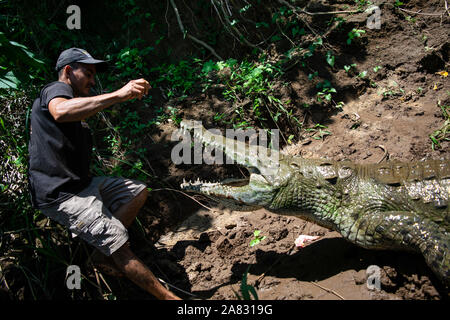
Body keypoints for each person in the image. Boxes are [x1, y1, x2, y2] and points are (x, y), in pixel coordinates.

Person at [28, 47, 181, 300]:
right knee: (119, 245)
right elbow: (60, 111)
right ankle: (170, 299)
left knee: (138, 191)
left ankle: (103, 252)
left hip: (82, 185)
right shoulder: (55, 91)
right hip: (62, 195)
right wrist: (118, 95)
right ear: (68, 71)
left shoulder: (77, 104)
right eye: (87, 73)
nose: (92, 80)